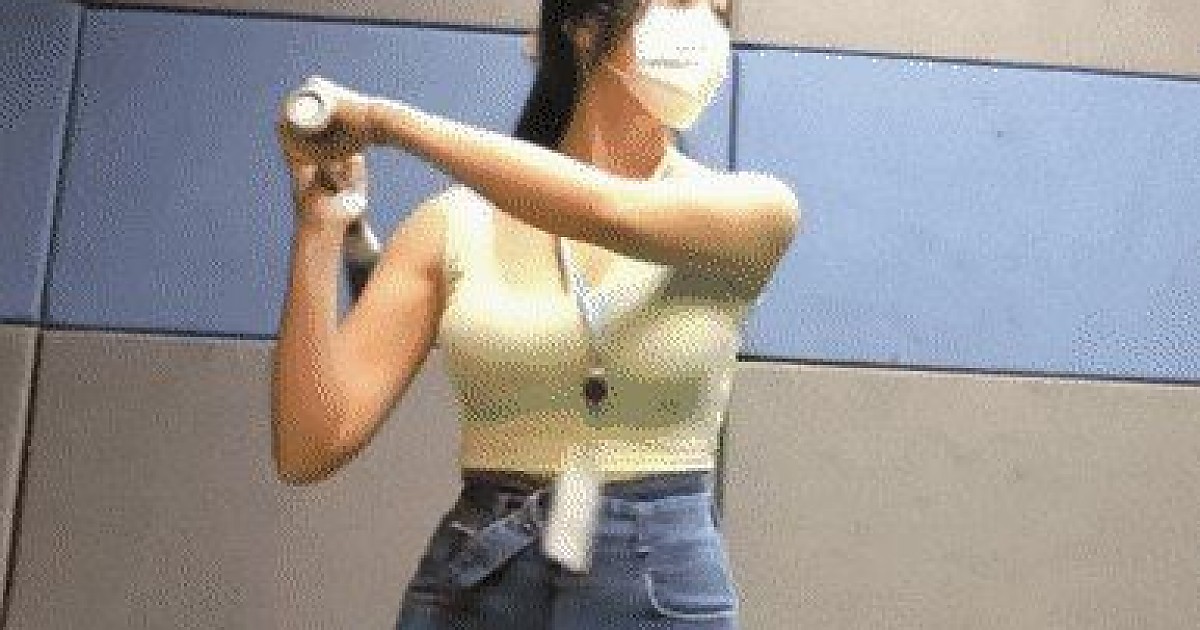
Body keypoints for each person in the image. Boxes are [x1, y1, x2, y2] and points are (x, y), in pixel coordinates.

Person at [270, 0, 800, 627]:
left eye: (719, 12)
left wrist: (390, 122)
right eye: (682, 2)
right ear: (584, 27)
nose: (706, 33)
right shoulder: (451, 224)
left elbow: (606, 212)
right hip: (482, 570)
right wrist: (319, 229)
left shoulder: (753, 209)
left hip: (661, 576)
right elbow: (309, 446)